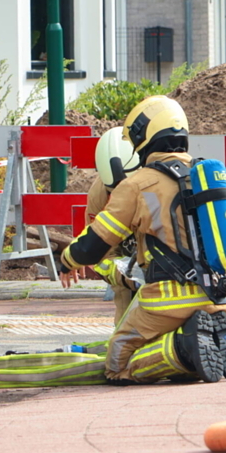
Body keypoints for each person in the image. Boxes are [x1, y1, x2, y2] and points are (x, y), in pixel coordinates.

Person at [59, 96, 226, 384]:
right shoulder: (207, 177)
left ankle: (184, 349)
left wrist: (66, 260)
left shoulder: (136, 184)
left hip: (165, 304)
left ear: (144, 139)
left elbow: (95, 243)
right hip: (222, 299)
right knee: (173, 352)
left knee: (117, 363)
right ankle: (203, 339)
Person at [83, 126, 142, 326]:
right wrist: (123, 275)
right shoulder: (98, 195)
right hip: (127, 268)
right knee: (125, 333)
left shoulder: (159, 182)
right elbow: (99, 253)